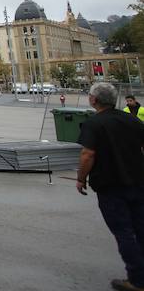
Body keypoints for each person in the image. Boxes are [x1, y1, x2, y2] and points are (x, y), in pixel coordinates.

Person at [77, 83, 144, 291]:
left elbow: (88, 155)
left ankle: (137, 280)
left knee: (123, 232)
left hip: (110, 185)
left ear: (94, 100)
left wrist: (81, 178)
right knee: (141, 229)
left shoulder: (94, 124)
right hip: (138, 182)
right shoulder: (132, 120)